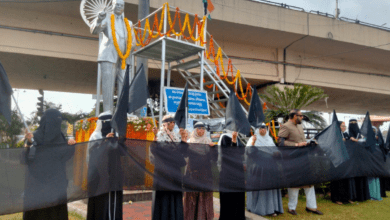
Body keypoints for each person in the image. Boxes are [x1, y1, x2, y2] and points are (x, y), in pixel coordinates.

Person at [22, 109, 76, 220]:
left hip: (56, 185)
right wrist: (28, 143)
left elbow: (63, 157)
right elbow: (25, 159)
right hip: (38, 186)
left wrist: (71, 146)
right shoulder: (35, 136)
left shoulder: (60, 136)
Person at [91, 0, 137, 112]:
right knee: (108, 85)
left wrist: (128, 50)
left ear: (124, 7)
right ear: (113, 5)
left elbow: (134, 42)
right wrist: (99, 19)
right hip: (108, 55)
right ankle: (108, 112)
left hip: (124, 58)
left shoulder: (128, 23)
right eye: (117, 5)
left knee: (125, 85)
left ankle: (121, 112)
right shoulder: (106, 18)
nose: (119, 7)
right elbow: (94, 30)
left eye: (122, 5)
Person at [277, 109, 323, 216]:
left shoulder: (299, 126)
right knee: (294, 183)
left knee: (309, 183)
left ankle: (311, 207)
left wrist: (309, 142)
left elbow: (300, 140)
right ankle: (291, 208)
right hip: (293, 159)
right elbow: (280, 142)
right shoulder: (285, 126)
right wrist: (296, 145)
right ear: (294, 116)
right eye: (301, 116)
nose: (302, 117)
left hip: (304, 158)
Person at [86, 111, 124, 220]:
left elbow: (121, 153)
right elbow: (93, 154)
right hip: (99, 175)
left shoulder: (115, 134)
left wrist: (120, 141)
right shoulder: (95, 136)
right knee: (101, 202)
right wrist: (105, 141)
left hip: (114, 174)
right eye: (107, 122)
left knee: (113, 201)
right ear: (102, 123)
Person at [151, 115, 187, 220]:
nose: (173, 124)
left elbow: (181, 153)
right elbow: (158, 152)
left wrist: (183, 141)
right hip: (163, 173)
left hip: (175, 172)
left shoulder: (175, 136)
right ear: (165, 123)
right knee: (164, 198)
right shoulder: (160, 135)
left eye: (174, 122)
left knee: (175, 196)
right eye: (171, 122)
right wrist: (155, 138)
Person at [246, 124, 284, 217]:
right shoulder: (253, 139)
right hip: (259, 168)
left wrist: (277, 153)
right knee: (262, 188)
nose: (263, 130)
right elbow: (249, 153)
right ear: (257, 130)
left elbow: (275, 152)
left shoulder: (269, 139)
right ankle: (261, 208)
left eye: (264, 129)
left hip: (271, 167)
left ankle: (273, 208)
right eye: (260, 129)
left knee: (271, 188)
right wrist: (253, 143)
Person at [183, 122, 215, 220]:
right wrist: (184, 144)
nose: (201, 131)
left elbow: (213, 159)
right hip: (192, 174)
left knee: (204, 197)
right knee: (192, 196)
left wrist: (213, 149)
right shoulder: (190, 141)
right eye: (199, 129)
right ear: (195, 130)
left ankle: (203, 217)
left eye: (202, 129)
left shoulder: (208, 141)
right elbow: (184, 156)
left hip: (205, 175)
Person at [218, 131, 246, 220]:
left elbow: (242, 152)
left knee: (238, 195)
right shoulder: (224, 137)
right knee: (228, 197)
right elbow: (227, 154)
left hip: (238, 170)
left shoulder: (237, 137)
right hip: (228, 172)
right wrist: (233, 142)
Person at [330, 121, 357, 205]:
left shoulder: (346, 134)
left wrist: (353, 140)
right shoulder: (333, 135)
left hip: (346, 161)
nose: (344, 127)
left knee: (347, 179)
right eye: (342, 126)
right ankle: (337, 198)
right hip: (337, 161)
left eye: (345, 126)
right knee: (339, 180)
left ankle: (347, 197)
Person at [349, 119, 370, 202]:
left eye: (355, 123)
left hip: (361, 159)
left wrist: (357, 140)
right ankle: (355, 196)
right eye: (352, 124)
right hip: (353, 160)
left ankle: (363, 196)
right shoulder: (348, 134)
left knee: (361, 177)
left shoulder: (360, 134)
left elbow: (365, 141)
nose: (353, 125)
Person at [367, 127, 382, 201]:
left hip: (371, 162)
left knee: (372, 178)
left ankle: (372, 195)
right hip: (376, 162)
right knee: (375, 178)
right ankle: (376, 195)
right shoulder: (377, 141)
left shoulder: (369, 141)